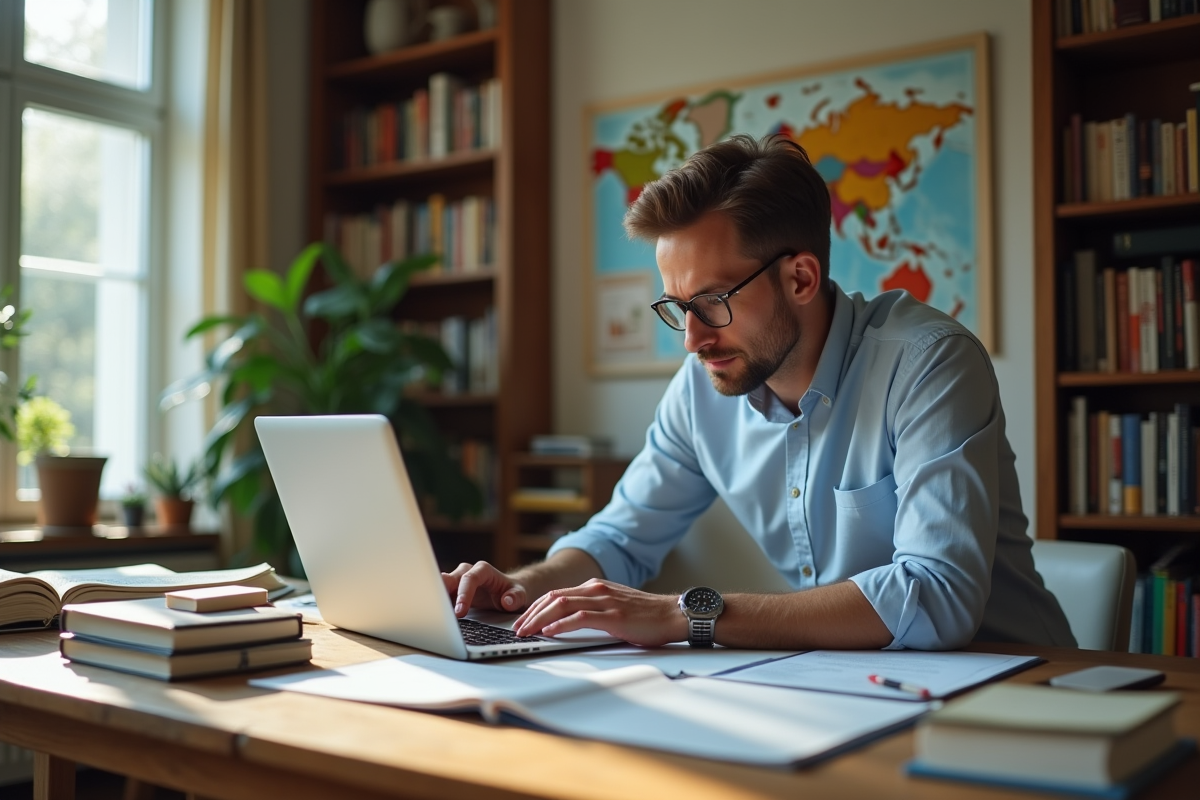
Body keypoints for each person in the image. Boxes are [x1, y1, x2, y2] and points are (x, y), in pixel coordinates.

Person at [443, 133, 1075, 651]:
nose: (692, 340)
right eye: (677, 307)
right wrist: (521, 589)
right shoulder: (701, 388)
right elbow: (619, 539)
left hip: (1017, 687)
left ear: (800, 278)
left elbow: (937, 597)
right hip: (850, 688)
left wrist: (683, 613)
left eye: (713, 302)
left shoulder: (928, 363)